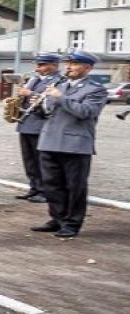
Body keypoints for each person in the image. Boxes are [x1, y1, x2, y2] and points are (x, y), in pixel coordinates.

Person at [33, 51, 107, 238]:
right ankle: (57, 218)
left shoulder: (95, 90)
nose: (68, 67)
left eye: (74, 64)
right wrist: (39, 106)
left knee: (75, 186)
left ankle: (72, 223)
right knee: (51, 184)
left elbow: (85, 112)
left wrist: (60, 98)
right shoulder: (60, 85)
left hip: (75, 144)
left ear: (87, 67)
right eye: (68, 63)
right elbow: (48, 113)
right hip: (49, 140)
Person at [13, 53, 63, 202]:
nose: (37, 68)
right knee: (29, 161)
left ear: (54, 65)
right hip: (26, 124)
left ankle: (44, 191)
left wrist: (29, 93)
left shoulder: (59, 80)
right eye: (37, 64)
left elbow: (51, 100)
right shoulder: (34, 79)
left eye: (41, 65)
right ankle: (34, 188)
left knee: (41, 161)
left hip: (41, 125)